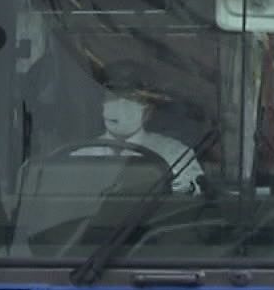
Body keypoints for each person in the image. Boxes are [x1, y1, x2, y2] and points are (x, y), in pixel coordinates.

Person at [81, 63, 205, 193]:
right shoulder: (81, 155)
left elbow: (197, 190)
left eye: (132, 98)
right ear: (102, 104)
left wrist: (184, 187)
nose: (121, 105)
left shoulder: (175, 154)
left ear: (148, 111)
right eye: (113, 97)